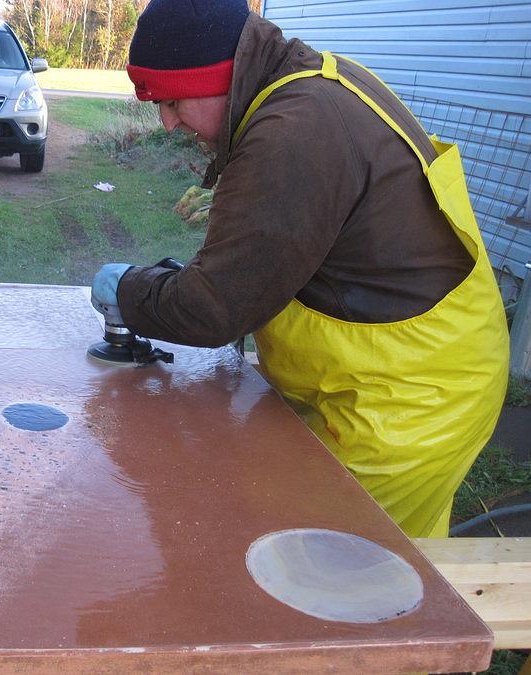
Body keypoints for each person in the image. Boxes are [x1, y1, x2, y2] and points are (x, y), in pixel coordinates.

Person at [90, 0, 509, 538]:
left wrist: (130, 290)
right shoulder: (309, 84)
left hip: (402, 407)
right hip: (401, 373)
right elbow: (272, 256)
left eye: (173, 101)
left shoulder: (292, 130)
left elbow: (215, 307)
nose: (167, 122)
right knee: (361, 564)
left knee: (322, 580)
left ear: (221, 77)